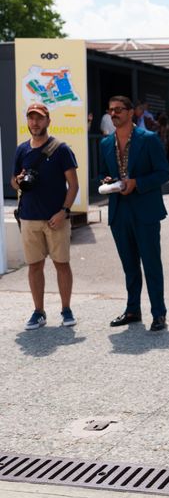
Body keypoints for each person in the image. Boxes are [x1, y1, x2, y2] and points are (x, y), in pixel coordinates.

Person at [100, 96, 169, 331]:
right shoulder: (105, 144)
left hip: (145, 210)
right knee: (129, 266)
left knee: (151, 264)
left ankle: (158, 313)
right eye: (110, 110)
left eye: (118, 110)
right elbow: (105, 173)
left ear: (132, 112)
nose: (114, 114)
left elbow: (163, 173)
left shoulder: (148, 140)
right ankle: (132, 310)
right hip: (119, 211)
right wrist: (109, 181)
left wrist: (137, 183)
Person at [11, 102, 79, 329]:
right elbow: (14, 181)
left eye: (39, 118)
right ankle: (38, 312)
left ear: (48, 121)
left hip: (56, 218)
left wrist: (64, 211)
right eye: (31, 118)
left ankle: (66, 309)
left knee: (62, 264)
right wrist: (18, 181)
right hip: (29, 217)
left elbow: (74, 185)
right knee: (34, 266)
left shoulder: (61, 149)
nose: (35, 123)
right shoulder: (22, 149)